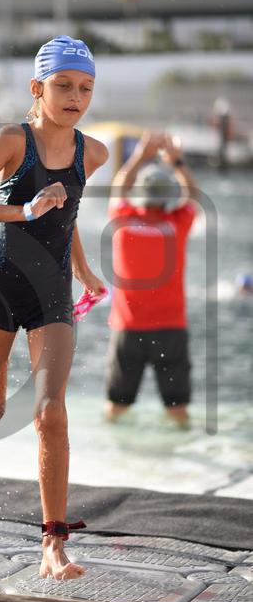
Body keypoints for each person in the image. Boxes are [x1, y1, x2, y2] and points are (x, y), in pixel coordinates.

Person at [0, 35, 108, 580]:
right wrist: (24, 210)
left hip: (53, 295)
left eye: (85, 88)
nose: (75, 97)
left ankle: (53, 544)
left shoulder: (93, 153)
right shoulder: (12, 140)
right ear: (37, 88)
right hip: (0, 286)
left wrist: (83, 269)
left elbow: (68, 216)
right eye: (63, 85)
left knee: (50, 413)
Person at [105, 131, 198, 429]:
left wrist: (140, 155)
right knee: (178, 411)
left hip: (128, 328)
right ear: (167, 197)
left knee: (116, 408)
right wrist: (177, 162)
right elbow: (193, 196)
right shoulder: (176, 224)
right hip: (171, 328)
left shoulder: (122, 219)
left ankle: (109, 454)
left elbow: (119, 188)